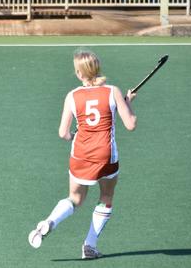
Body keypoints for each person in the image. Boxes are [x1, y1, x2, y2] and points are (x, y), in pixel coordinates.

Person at [27, 49, 138, 260]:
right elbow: (130, 124)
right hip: (106, 156)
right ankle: (90, 245)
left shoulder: (72, 96)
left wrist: (72, 137)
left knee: (75, 198)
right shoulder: (112, 92)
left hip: (80, 155)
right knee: (106, 197)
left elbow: (63, 133)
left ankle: (49, 222)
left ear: (80, 73)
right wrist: (128, 102)